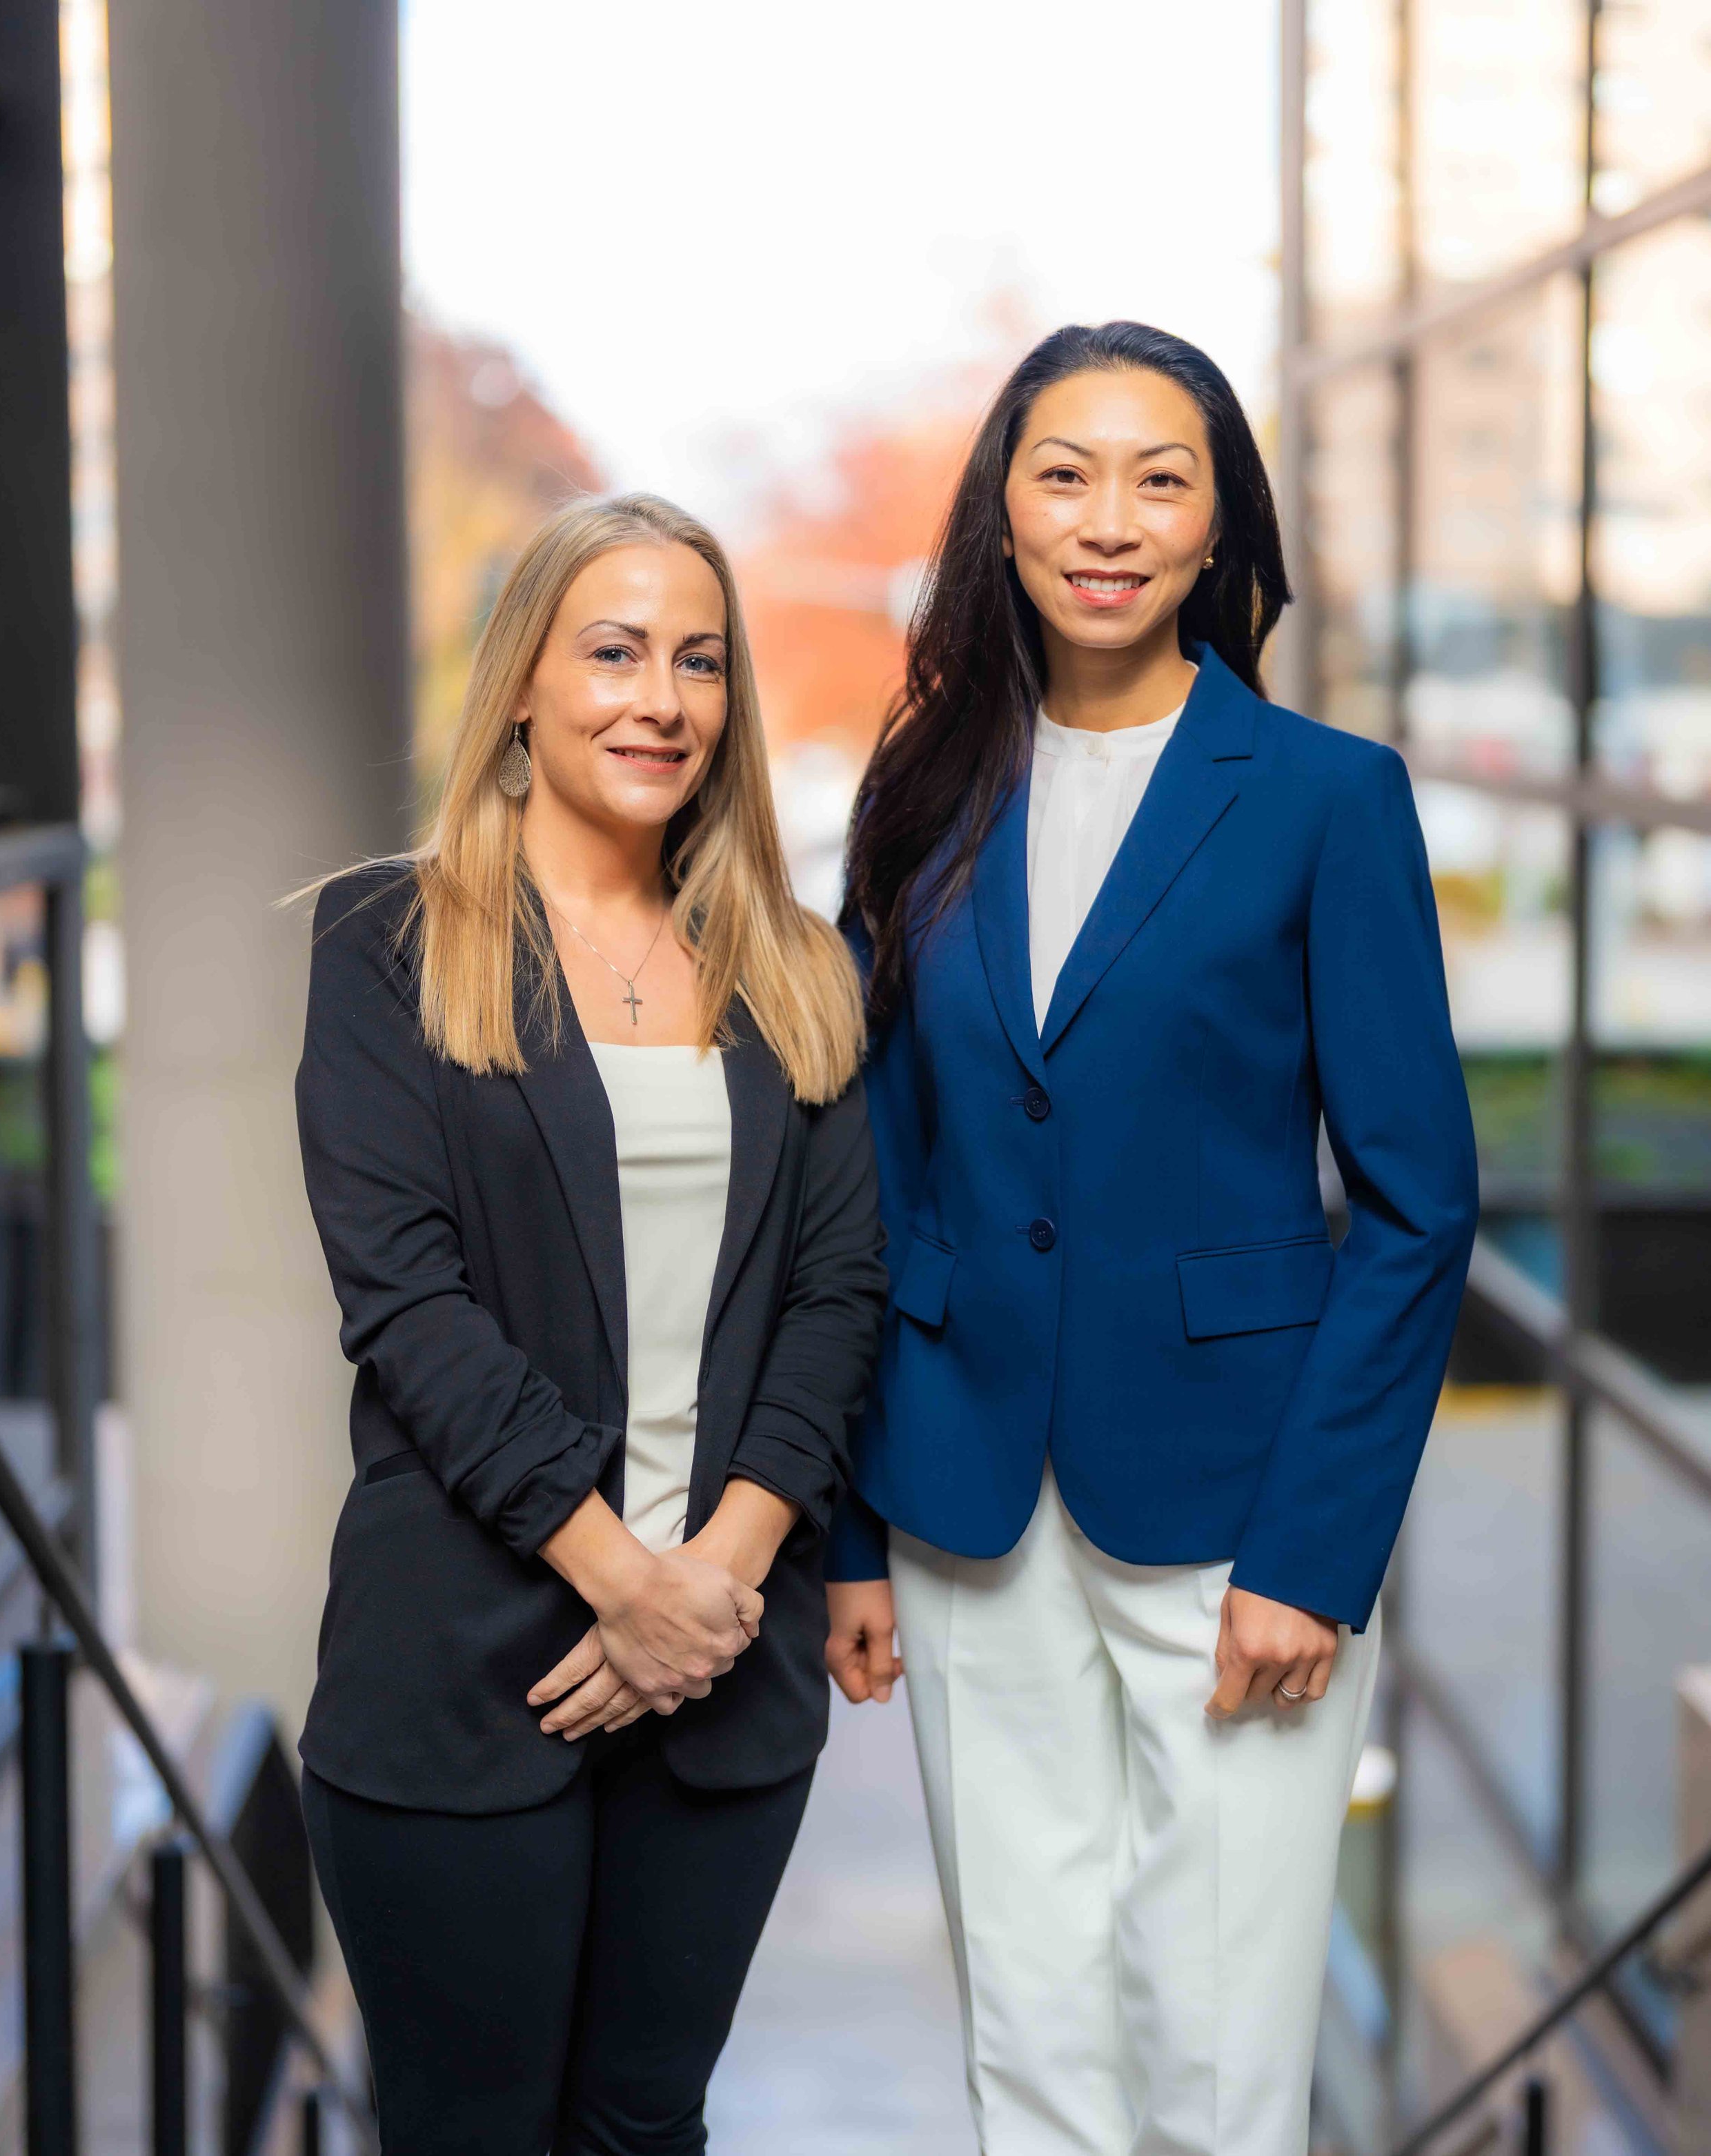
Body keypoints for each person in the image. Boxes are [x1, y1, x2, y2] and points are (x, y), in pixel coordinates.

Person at [824, 322, 1479, 2156]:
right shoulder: (922, 794)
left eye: (1159, 476)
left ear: (1214, 532)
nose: (1107, 517)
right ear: (1002, 516)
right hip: (961, 1496)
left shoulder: (1323, 797)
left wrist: (1315, 1549)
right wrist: (850, 1524)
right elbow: (877, 1171)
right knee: (1026, 2047)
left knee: (1210, 2055)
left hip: (1236, 1506)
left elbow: (1419, 1201)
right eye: (1063, 471)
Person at [294, 493, 886, 2156]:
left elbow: (837, 1299)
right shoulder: (390, 943)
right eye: (614, 652)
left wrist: (715, 1589)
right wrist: (626, 1585)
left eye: (698, 661)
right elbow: (409, 1310)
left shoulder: (797, 965)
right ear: (526, 684)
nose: (662, 698)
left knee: (644, 2127)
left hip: (725, 1677)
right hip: (470, 1666)